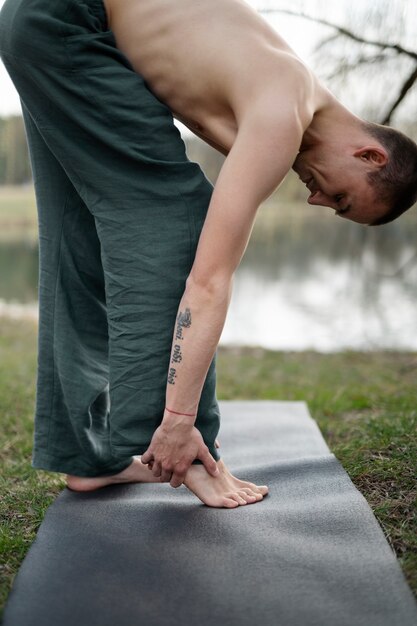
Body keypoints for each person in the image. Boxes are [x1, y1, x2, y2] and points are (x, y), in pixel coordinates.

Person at [1, 0, 416, 509]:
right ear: (370, 155)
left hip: (37, 21)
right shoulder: (281, 112)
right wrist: (179, 419)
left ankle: (87, 458)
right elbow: (209, 280)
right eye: (341, 199)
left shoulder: (285, 85)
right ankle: (184, 453)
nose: (316, 200)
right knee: (178, 217)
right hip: (67, 21)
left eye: (333, 207)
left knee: (75, 237)